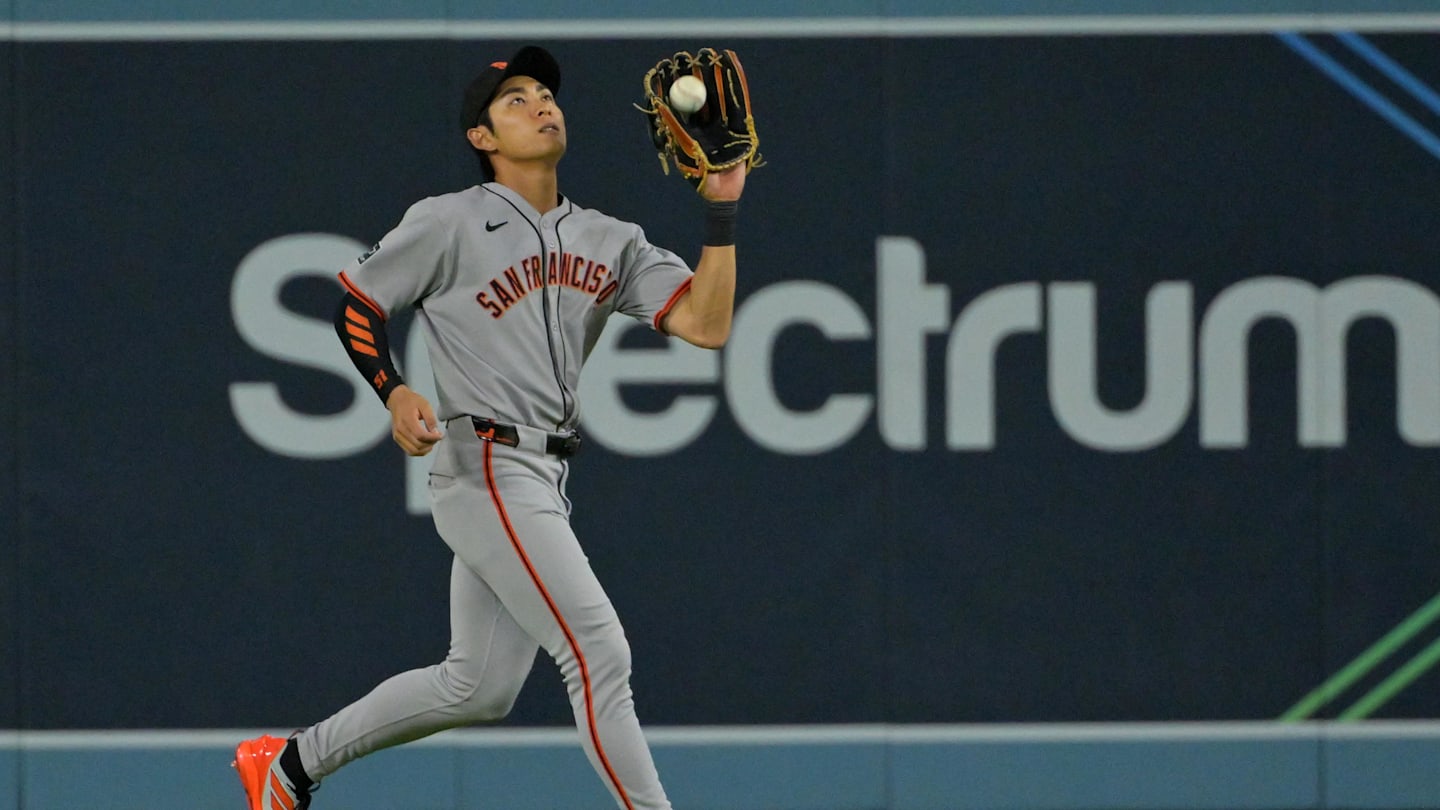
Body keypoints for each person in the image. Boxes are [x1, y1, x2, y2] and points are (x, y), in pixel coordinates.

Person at [231, 44, 747, 810]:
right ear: (482, 138)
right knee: (598, 652)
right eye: (517, 100)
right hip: (485, 463)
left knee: (476, 686)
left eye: (546, 93)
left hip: (544, 473)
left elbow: (707, 324)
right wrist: (392, 388)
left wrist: (722, 201)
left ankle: (289, 766)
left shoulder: (613, 239)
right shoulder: (449, 221)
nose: (542, 104)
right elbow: (357, 302)